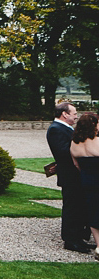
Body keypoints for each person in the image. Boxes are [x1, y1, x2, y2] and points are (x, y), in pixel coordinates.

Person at [47, 101, 91, 253]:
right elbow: (63, 152)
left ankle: (79, 238)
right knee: (71, 208)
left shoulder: (64, 128)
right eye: (74, 113)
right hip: (70, 175)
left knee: (79, 207)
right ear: (64, 114)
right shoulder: (55, 129)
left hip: (75, 175)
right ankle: (70, 240)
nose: (76, 116)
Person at [70, 112, 99, 259]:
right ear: (94, 125)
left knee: (93, 211)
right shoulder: (97, 141)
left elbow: (77, 165)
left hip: (87, 180)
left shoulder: (74, 143)